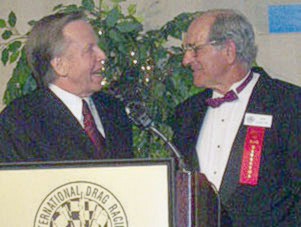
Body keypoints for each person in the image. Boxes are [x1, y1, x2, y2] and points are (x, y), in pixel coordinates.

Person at [171, 9, 300, 226]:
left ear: (229, 51)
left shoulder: (289, 104)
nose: (186, 60)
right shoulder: (186, 113)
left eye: (194, 49)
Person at [0, 12, 133, 162]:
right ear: (60, 65)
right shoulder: (20, 121)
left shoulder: (114, 110)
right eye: (89, 49)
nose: (102, 56)